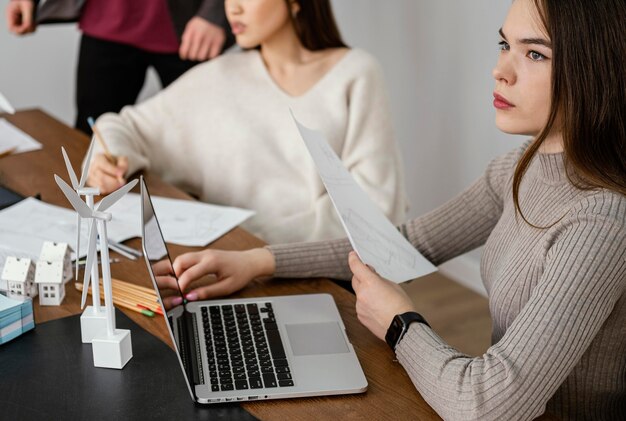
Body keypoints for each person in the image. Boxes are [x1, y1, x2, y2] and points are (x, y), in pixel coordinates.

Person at [169, 0, 626, 419]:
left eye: (535, 54)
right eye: (505, 44)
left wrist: (400, 323)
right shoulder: (519, 169)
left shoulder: (600, 222)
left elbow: (488, 405)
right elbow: (406, 244)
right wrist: (258, 261)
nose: (499, 70)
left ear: (596, 69)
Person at [85, 0, 407, 244]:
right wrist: (109, 159)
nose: (233, 8)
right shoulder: (220, 74)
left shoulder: (355, 74)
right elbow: (120, 125)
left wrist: (251, 242)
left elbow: (376, 210)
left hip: (321, 270)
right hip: (228, 265)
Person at [5, 0, 233, 134]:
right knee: (93, 139)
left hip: (191, 30)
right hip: (106, 22)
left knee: (199, 141)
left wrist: (216, 12)